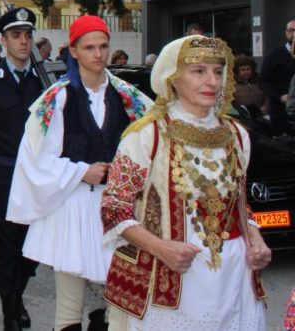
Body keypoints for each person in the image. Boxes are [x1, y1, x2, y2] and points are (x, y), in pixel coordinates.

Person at [101, 35, 270, 329]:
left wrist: (256, 239)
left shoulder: (236, 134)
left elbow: (239, 204)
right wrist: (161, 248)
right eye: (199, 71)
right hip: (173, 280)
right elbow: (114, 209)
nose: (212, 81)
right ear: (172, 77)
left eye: (218, 71)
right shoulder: (146, 135)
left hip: (234, 279)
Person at [7, 16, 152, 331]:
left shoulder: (130, 97)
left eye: (103, 46)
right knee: (69, 308)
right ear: (73, 51)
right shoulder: (56, 98)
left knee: (118, 305)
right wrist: (81, 171)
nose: (98, 54)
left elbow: (150, 146)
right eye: (89, 47)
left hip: (117, 211)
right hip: (72, 209)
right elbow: (35, 159)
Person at [0, 8, 43, 331]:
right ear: (3, 41)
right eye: (16, 36)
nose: (23, 42)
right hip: (4, 176)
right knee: (7, 246)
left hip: (38, 180)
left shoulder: (45, 83)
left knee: (33, 248)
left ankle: (18, 293)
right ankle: (10, 309)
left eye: (27, 35)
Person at [259, 18, 295, 135]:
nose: (293, 34)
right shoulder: (273, 56)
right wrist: (280, 97)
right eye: (291, 30)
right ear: (286, 33)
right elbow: (263, 81)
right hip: (281, 112)